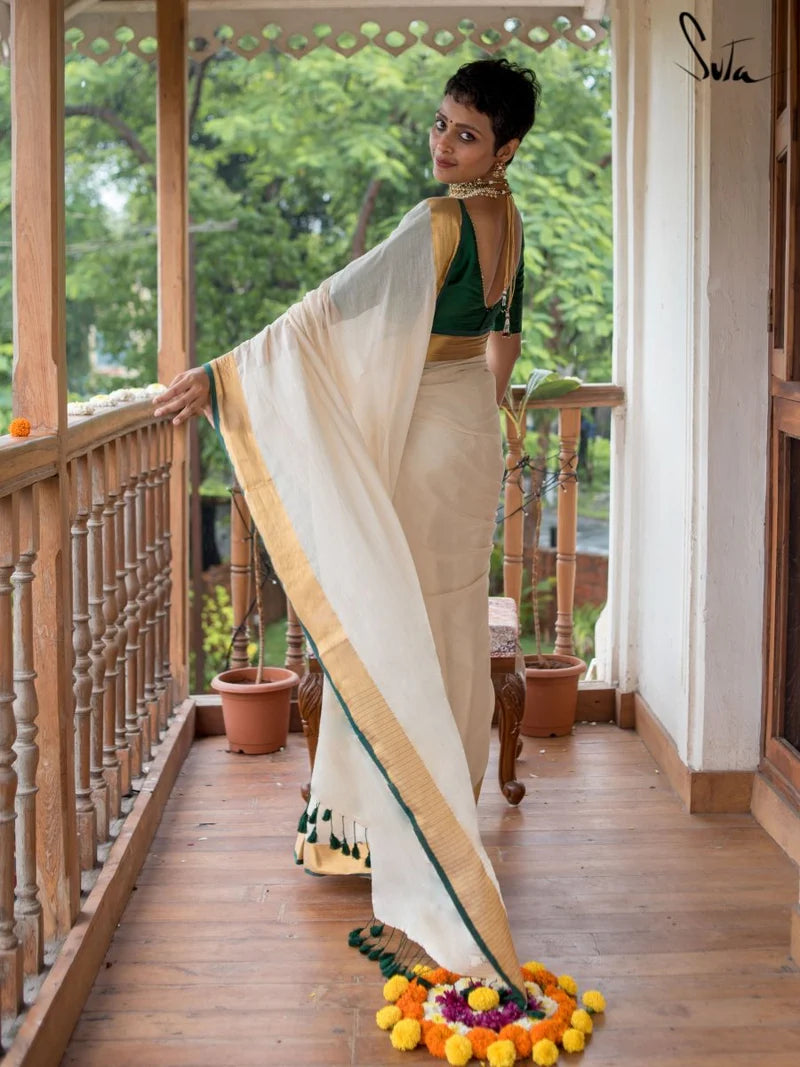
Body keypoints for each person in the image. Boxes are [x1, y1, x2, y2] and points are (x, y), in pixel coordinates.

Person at [154, 57, 541, 1003]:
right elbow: (507, 333)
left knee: (391, 627)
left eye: (466, 134)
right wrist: (481, 407)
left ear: (507, 147)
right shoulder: (507, 218)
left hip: (423, 446)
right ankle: (448, 811)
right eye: (443, 124)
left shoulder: (439, 220)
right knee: (446, 628)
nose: (443, 143)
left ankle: (402, 828)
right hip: (466, 437)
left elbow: (330, 310)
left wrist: (221, 377)